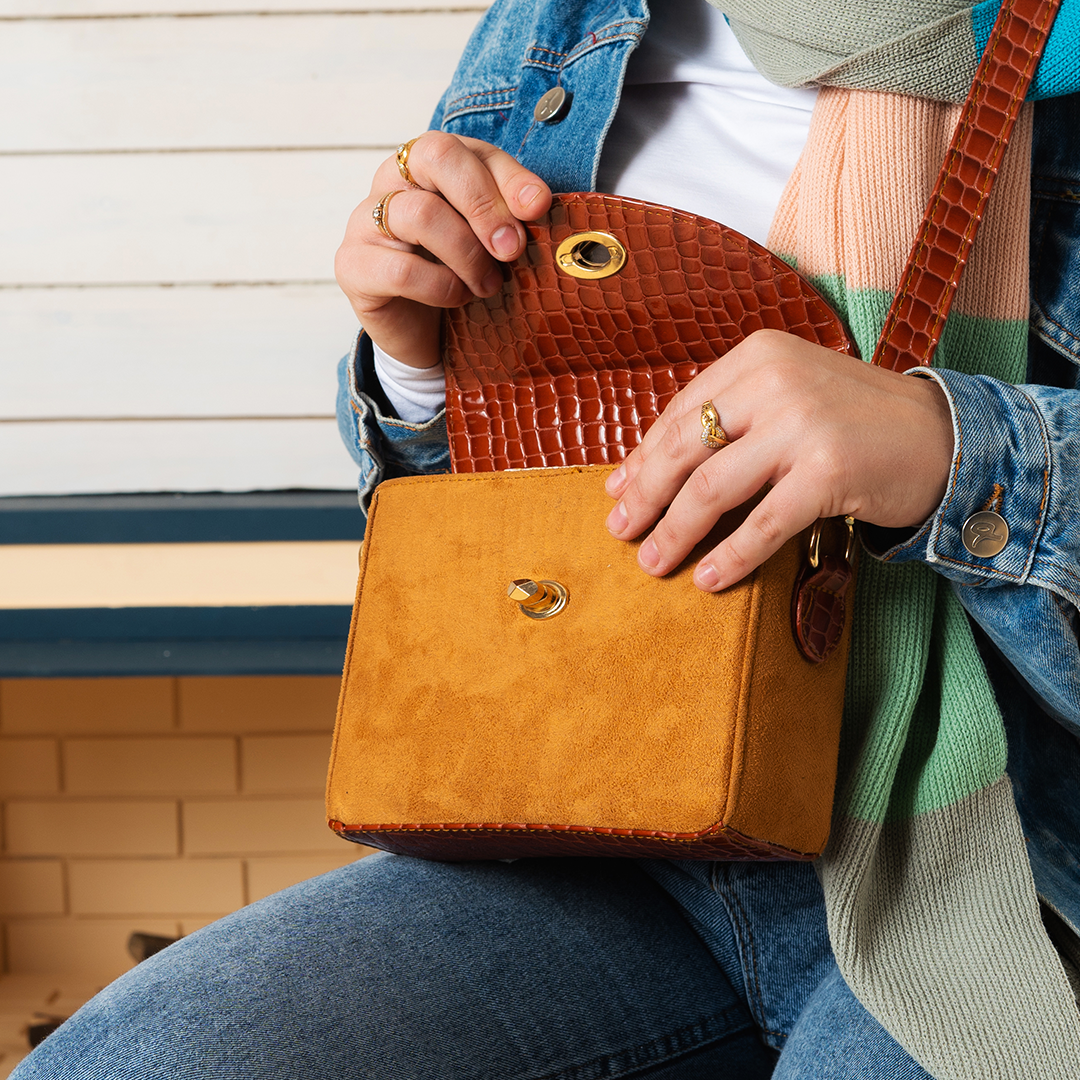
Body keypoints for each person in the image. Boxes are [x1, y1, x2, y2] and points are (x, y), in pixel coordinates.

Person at [14, 1, 1080, 1077]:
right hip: (601, 810)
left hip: (1007, 854)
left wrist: (958, 448)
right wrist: (416, 361)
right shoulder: (564, 19)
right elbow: (493, 517)